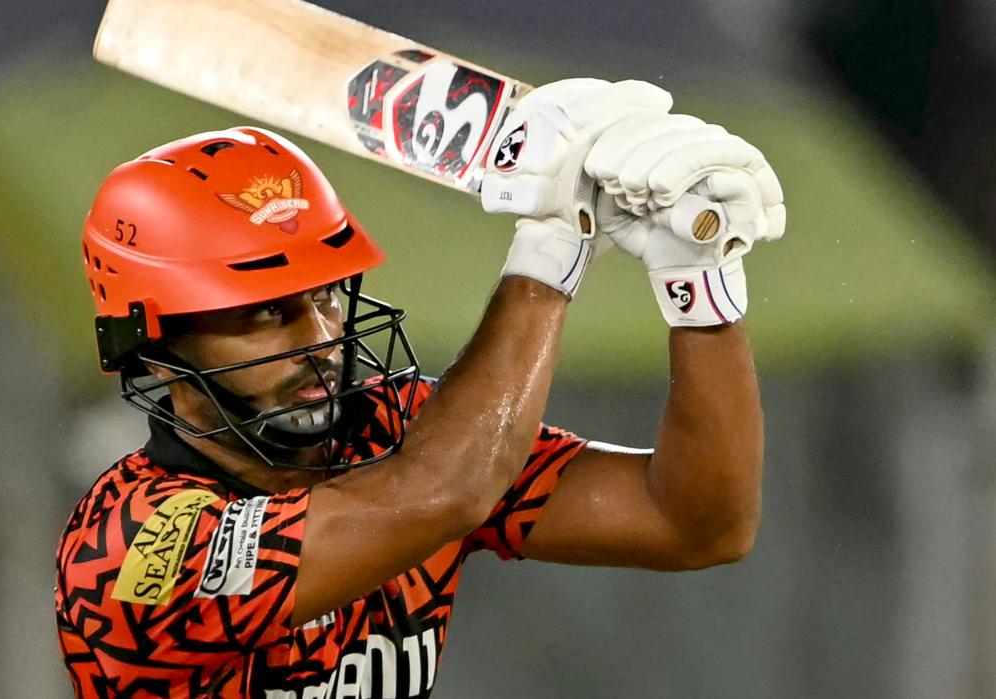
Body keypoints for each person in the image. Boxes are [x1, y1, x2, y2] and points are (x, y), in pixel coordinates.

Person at [55, 79, 785, 698]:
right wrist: (554, 242)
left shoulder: (397, 432)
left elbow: (696, 520)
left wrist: (699, 280)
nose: (321, 340)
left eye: (328, 296)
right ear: (156, 351)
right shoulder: (127, 551)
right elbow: (444, 490)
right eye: (268, 313)